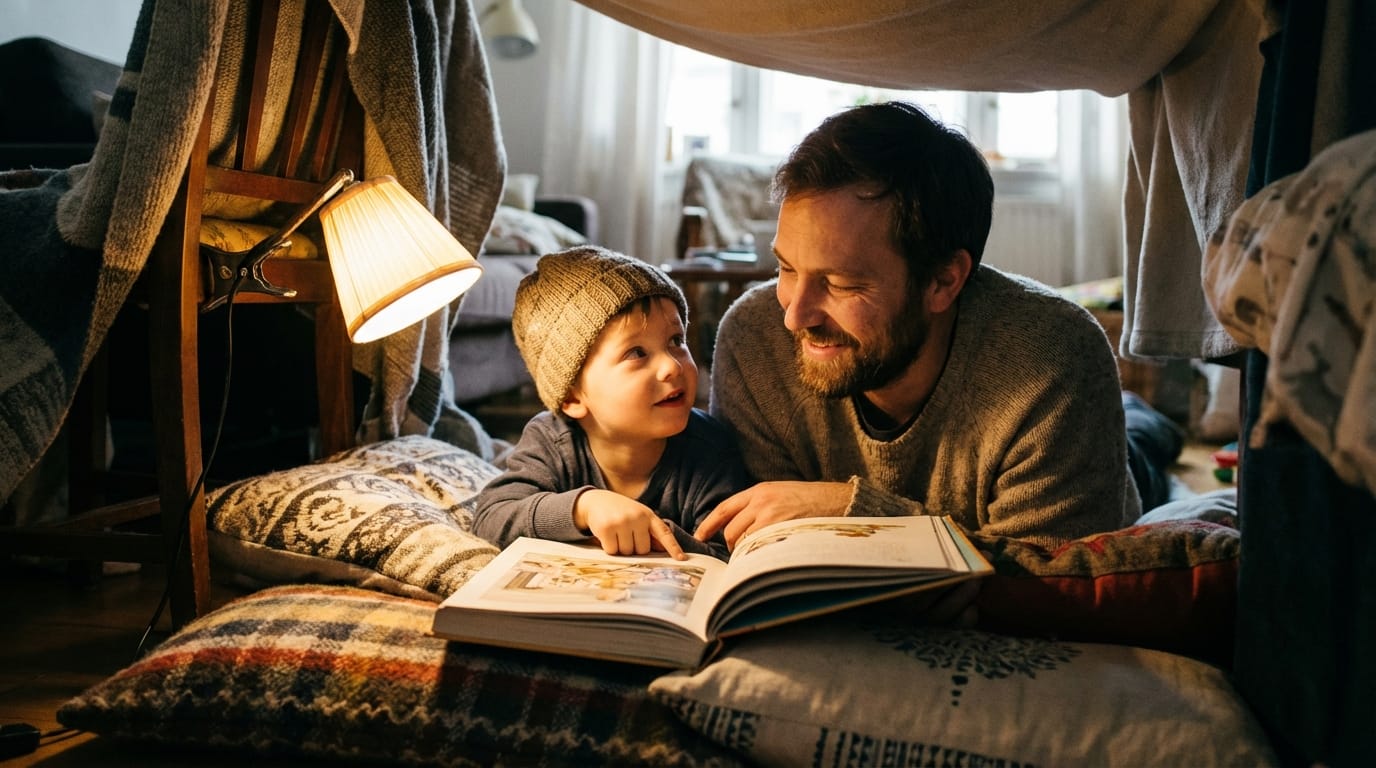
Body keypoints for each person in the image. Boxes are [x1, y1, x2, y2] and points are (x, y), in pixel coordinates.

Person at [696, 100, 1183, 560]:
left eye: (840, 283)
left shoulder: (1055, 357)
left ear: (943, 281)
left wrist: (850, 510)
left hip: (1096, 463)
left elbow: (1048, 583)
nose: (795, 316)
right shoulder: (753, 338)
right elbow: (772, 546)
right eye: (785, 269)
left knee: (1142, 447)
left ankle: (1143, 423)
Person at [473, 245, 744, 561]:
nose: (672, 366)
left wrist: (648, 530)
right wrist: (584, 507)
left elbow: (729, 554)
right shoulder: (553, 441)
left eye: (676, 341)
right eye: (637, 353)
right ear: (573, 397)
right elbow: (491, 517)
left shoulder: (709, 449)